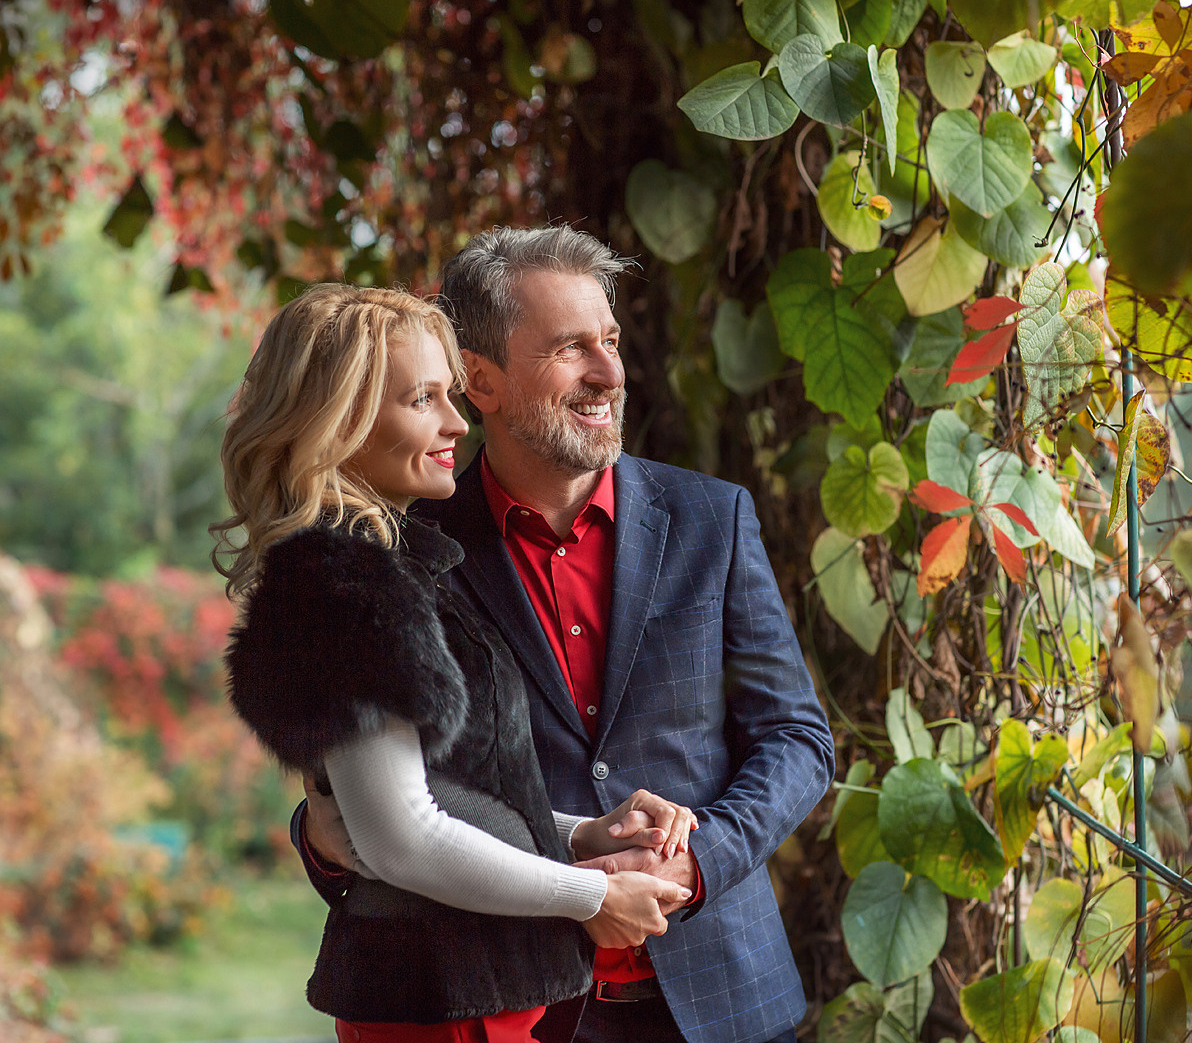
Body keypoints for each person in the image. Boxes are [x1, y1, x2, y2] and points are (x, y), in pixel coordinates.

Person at [299, 230, 837, 1043]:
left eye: (610, 341)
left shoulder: (710, 518)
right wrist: (323, 840)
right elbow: (393, 796)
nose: (609, 373)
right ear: (480, 379)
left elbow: (797, 738)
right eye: (569, 348)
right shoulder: (403, 548)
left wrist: (698, 862)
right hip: (520, 1003)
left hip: (724, 996)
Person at [213, 284, 699, 1043]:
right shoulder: (346, 586)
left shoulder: (381, 566)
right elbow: (400, 836)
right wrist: (588, 896)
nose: (455, 422)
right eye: (423, 398)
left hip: (467, 993)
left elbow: (439, 793)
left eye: (451, 394)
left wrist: (577, 834)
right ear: (339, 422)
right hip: (440, 1005)